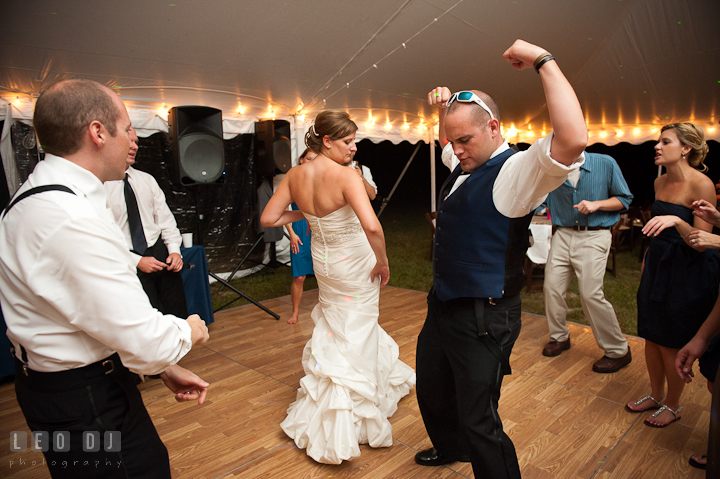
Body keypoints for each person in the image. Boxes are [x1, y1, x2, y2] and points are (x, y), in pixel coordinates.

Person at [0, 79, 210, 478]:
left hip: (73, 384)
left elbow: (84, 312)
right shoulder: (68, 217)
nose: (134, 138)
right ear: (97, 132)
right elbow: (146, 339)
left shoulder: (42, 196)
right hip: (84, 398)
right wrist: (190, 330)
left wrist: (164, 368)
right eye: (127, 127)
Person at [418, 39, 588, 479]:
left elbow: (572, 138)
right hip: (445, 303)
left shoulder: (516, 172)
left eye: (465, 140)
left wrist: (543, 60)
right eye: (450, 141)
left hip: (484, 316)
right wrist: (445, 104)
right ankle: (451, 446)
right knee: (433, 387)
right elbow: (453, 131)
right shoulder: (463, 158)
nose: (456, 150)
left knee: (480, 418)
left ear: (494, 128)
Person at [261, 110, 415, 464]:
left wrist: (304, 215)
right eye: (347, 142)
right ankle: (355, 407)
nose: (354, 147)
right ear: (327, 141)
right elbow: (373, 227)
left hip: (324, 265)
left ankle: (340, 392)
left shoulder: (294, 175)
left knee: (336, 323)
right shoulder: (346, 177)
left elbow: (269, 218)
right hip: (355, 262)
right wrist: (384, 261)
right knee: (357, 325)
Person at [627, 122, 719, 428]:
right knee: (651, 338)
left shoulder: (701, 184)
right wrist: (648, 260)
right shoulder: (659, 182)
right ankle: (655, 394)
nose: (657, 146)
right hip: (658, 266)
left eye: (665, 141)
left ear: (685, 148)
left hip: (687, 270)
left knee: (669, 341)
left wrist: (677, 222)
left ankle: (674, 405)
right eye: (658, 141)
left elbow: (700, 244)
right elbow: (657, 232)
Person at [541, 152, 633, 373]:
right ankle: (560, 337)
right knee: (551, 288)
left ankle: (618, 350)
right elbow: (542, 198)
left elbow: (624, 199)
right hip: (562, 234)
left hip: (594, 234)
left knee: (590, 294)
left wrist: (597, 205)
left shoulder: (605, 163)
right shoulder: (552, 166)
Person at [105, 127, 188, 318]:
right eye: (129, 142)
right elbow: (104, 236)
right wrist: (137, 261)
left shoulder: (146, 180)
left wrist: (175, 251)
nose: (134, 147)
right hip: (127, 259)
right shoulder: (101, 186)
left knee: (177, 312)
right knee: (148, 317)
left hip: (159, 253)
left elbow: (165, 219)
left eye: (136, 143)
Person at [285, 148, 317, 324]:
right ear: (301, 159)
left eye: (315, 159)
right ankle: (295, 312)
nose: (311, 162)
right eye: (308, 158)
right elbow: (283, 209)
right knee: (299, 276)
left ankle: (328, 310)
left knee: (324, 273)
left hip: (318, 229)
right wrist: (292, 234)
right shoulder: (293, 181)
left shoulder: (321, 181)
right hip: (299, 230)